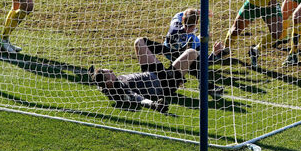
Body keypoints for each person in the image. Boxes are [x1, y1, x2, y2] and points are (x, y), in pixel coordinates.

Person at [90, 42, 224, 114]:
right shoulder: (120, 89)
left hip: (152, 72)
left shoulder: (105, 87)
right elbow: (137, 98)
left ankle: (175, 52)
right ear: (108, 81)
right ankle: (207, 78)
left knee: (139, 42)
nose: (111, 71)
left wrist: (93, 75)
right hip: (164, 83)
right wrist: (154, 105)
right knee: (191, 53)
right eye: (109, 73)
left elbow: (99, 85)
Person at [223, 0, 287, 68]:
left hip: (270, 6)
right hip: (253, 4)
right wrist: (268, 0)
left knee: (277, 33)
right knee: (236, 29)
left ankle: (256, 50)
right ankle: (225, 49)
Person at [135, 8, 227, 64]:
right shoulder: (194, 40)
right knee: (203, 40)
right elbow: (204, 62)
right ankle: (218, 54)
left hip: (167, 53)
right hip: (181, 59)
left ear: (183, 19)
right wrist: (214, 53)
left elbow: (179, 14)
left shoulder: (174, 24)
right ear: (196, 23)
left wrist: (196, 12)